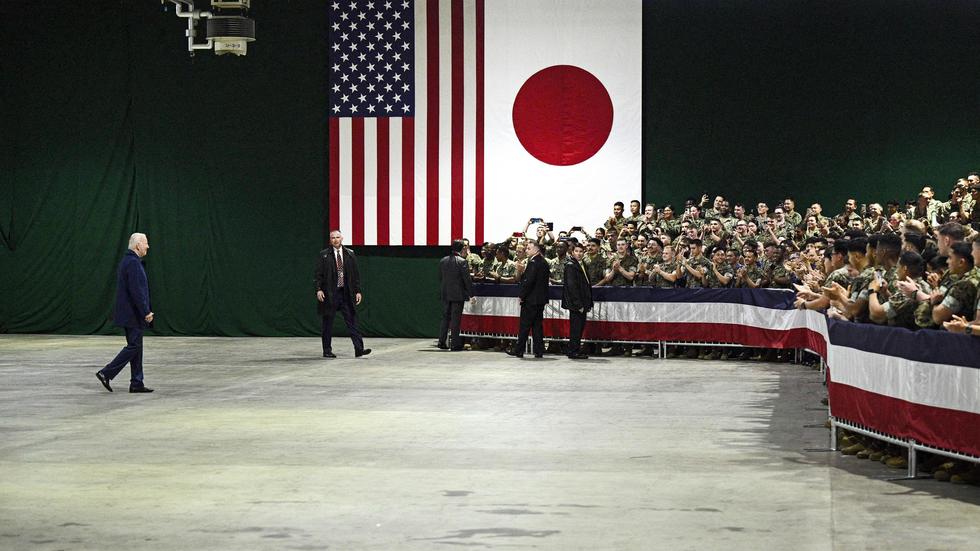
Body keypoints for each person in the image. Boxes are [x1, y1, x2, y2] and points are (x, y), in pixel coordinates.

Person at [96, 232, 155, 393]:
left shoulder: (129, 261)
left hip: (130, 313)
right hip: (133, 314)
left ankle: (137, 382)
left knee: (137, 346)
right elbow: (137, 291)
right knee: (134, 346)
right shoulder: (133, 263)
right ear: (137, 245)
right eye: (146, 243)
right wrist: (146, 311)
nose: (148, 246)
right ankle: (106, 372)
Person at [315, 230, 371, 358]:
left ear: (342, 238)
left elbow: (355, 275)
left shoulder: (349, 254)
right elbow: (318, 275)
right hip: (331, 293)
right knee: (328, 323)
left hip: (345, 293)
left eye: (337, 237)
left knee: (352, 321)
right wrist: (319, 289)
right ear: (330, 240)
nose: (335, 240)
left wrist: (357, 291)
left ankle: (359, 349)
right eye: (333, 238)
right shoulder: (324, 255)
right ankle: (327, 350)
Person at [509, 240, 549, 358]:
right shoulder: (544, 262)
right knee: (537, 326)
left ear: (536, 249)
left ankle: (519, 350)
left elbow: (528, 282)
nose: (526, 250)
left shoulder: (533, 263)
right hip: (540, 299)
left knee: (525, 326)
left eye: (528, 248)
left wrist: (522, 295)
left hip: (531, 299)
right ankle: (539, 350)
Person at [438, 239, 474, 351]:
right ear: (461, 248)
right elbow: (466, 280)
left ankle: (441, 341)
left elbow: (441, 277)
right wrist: (471, 294)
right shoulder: (462, 261)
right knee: (455, 320)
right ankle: (455, 344)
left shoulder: (443, 260)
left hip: (445, 293)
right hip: (458, 295)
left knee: (445, 318)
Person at [562, 242, 593, 359]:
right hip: (577, 303)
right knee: (576, 328)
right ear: (572, 252)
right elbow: (572, 286)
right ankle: (573, 351)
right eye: (577, 251)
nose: (579, 254)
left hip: (583, 301)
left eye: (581, 251)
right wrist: (578, 304)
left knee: (579, 327)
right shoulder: (570, 265)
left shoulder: (582, 263)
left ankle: (575, 349)